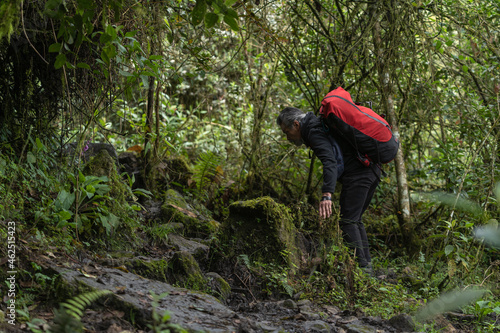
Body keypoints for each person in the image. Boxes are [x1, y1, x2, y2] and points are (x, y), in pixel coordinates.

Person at [277, 107, 380, 272]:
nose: (287, 137)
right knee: (354, 219)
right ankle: (367, 267)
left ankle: (363, 271)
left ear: (296, 124)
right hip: (371, 169)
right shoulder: (317, 125)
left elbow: (329, 161)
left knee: (347, 221)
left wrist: (326, 195)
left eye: (286, 131)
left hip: (360, 173)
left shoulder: (313, 131)